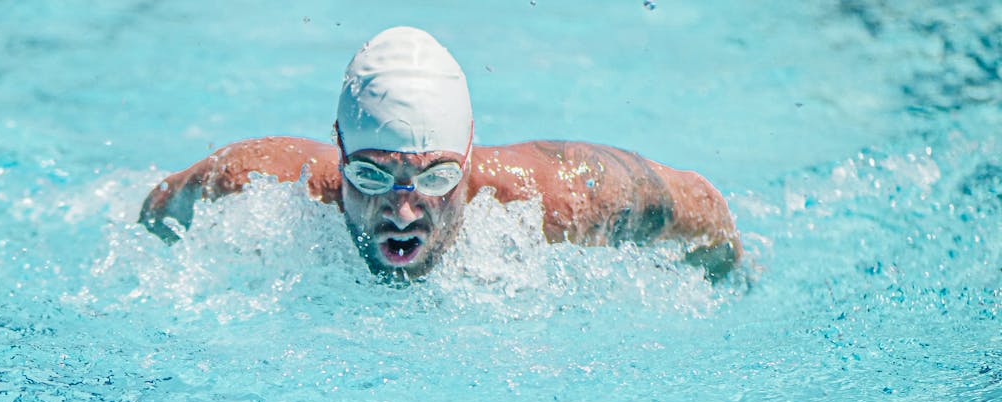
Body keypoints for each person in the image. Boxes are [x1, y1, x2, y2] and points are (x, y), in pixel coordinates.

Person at [139, 26, 742, 281]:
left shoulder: (556, 197)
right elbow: (157, 214)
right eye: (372, 175)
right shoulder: (259, 179)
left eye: (436, 178)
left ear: (470, 155)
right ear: (339, 149)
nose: (403, 212)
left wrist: (726, 286)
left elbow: (703, 208)